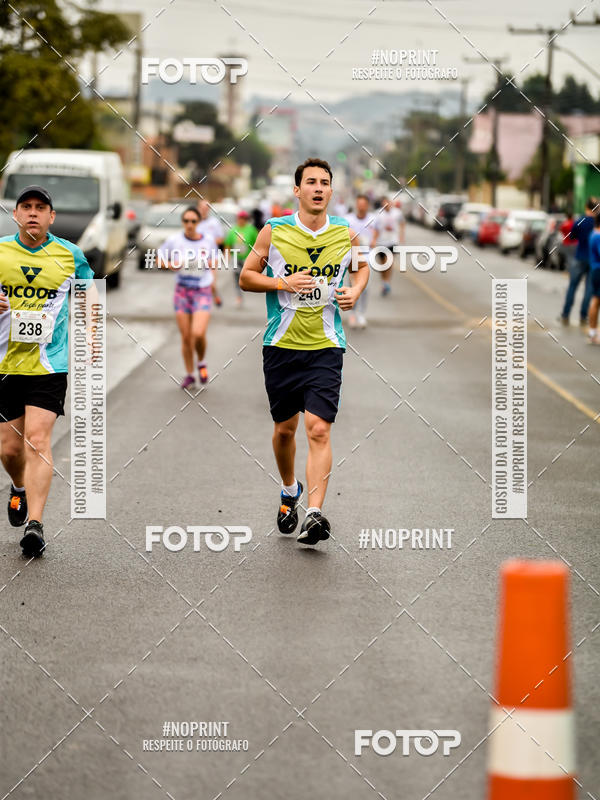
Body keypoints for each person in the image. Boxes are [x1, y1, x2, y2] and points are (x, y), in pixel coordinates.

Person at [239, 158, 369, 546]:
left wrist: (355, 291)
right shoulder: (274, 232)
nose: (317, 188)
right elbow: (246, 277)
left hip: (326, 347)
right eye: (310, 182)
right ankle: (288, 488)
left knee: (318, 428)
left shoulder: (346, 233)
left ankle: (314, 513)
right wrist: (283, 281)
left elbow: (362, 269)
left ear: (331, 191)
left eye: (324, 183)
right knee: (284, 430)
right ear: (297, 190)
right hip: (281, 346)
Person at [0, 185, 94, 557]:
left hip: (48, 364)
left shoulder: (71, 255)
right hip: (5, 364)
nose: (33, 213)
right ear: (16, 214)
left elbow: (91, 300)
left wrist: (89, 345)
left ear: (52, 217)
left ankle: (35, 525)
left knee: (37, 440)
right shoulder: (1, 250)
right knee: (9, 449)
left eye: (41, 207)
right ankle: (19, 487)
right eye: (27, 207)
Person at [158, 206, 218, 388]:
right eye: (186, 221)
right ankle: (190, 374)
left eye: (193, 221)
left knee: (198, 333)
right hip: (182, 291)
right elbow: (158, 259)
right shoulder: (174, 240)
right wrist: (171, 265)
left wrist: (210, 275)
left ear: (199, 222)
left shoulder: (207, 240)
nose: (190, 225)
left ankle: (201, 362)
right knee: (185, 337)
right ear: (182, 222)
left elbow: (216, 261)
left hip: (202, 290)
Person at [559, 197, 597, 326]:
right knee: (589, 289)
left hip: (579, 256)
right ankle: (583, 315)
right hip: (593, 259)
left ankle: (565, 314)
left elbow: (572, 236)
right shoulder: (597, 223)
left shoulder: (580, 221)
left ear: (586, 207)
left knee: (572, 286)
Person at [345, 194, 377, 329]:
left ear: (367, 205)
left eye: (364, 204)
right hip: (352, 256)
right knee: (353, 285)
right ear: (356, 205)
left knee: (365, 287)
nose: (361, 206)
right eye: (359, 204)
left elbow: (376, 231)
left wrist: (374, 239)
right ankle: (352, 313)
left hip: (367, 256)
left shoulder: (372, 219)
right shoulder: (348, 219)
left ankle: (361, 314)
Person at [223, 210, 258, 307]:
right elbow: (228, 244)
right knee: (236, 277)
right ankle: (239, 296)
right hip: (236, 258)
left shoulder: (251, 230)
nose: (241, 220)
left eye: (243, 219)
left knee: (247, 277)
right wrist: (227, 257)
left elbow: (257, 244)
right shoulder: (233, 230)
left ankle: (250, 289)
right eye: (240, 218)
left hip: (247, 258)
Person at [373, 196, 405, 296]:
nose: (386, 206)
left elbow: (402, 223)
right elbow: (374, 227)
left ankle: (387, 281)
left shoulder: (397, 213)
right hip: (381, 241)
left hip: (392, 241)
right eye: (384, 204)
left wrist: (401, 236)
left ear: (391, 203)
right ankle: (384, 282)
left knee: (389, 262)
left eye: (388, 203)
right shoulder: (378, 213)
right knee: (382, 265)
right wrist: (373, 239)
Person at [586, 213, 600, 344]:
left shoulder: (593, 234)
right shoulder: (598, 236)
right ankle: (594, 332)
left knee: (595, 299)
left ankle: (592, 332)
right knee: (596, 301)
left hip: (594, 269)